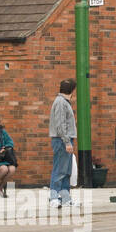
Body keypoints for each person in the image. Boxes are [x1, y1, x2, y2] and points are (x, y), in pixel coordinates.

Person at [49, 78, 78, 208]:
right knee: (59, 170)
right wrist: (67, 142)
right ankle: (54, 198)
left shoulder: (62, 101)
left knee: (66, 171)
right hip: (62, 140)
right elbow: (60, 125)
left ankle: (65, 199)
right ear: (72, 90)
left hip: (64, 139)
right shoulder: (61, 102)